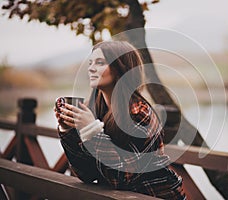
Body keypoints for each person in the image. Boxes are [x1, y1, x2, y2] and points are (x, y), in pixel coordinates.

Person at [54, 40, 186, 199]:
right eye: (90, 63)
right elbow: (86, 174)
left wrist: (92, 131)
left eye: (100, 62)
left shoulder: (140, 113)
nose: (91, 68)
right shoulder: (95, 111)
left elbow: (122, 178)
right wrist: (68, 130)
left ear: (120, 69)